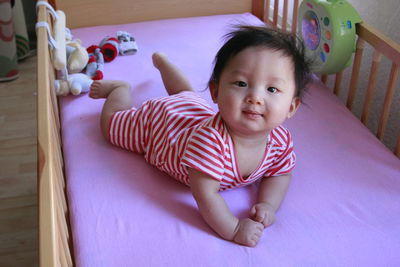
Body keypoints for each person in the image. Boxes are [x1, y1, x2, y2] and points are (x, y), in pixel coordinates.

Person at [89, 26, 311, 247]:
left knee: (186, 96)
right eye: (241, 84)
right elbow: (205, 193)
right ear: (216, 92)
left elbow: (280, 174)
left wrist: (268, 205)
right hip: (160, 128)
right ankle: (120, 89)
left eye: (271, 89)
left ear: (292, 106)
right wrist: (234, 228)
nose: (255, 97)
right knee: (111, 127)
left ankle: (163, 63)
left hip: (194, 110)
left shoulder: (280, 141)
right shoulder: (210, 142)